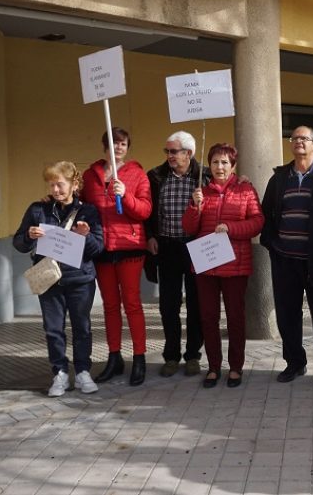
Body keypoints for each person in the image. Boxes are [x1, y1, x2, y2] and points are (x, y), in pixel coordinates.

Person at [13, 161, 104, 397]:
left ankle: (83, 371)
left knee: (82, 327)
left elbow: (98, 249)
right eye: (51, 185)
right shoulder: (38, 210)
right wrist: (28, 235)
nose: (55, 190)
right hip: (49, 279)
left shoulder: (88, 211)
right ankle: (60, 373)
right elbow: (19, 244)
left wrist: (86, 236)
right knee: (53, 329)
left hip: (80, 279)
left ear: (74, 184)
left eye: (60, 185)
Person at [260, 126, 313, 389]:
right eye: (294, 138)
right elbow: (267, 215)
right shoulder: (279, 178)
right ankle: (295, 362)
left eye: (304, 139)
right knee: (287, 315)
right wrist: (272, 244)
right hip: (285, 259)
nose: (298, 142)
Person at [182, 143, 264, 388]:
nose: (220, 167)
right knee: (208, 317)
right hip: (206, 265)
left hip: (235, 264)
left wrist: (231, 228)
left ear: (233, 165)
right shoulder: (201, 192)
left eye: (225, 162)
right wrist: (194, 208)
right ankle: (214, 366)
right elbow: (189, 228)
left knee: (235, 318)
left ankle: (236, 367)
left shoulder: (246, 190)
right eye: (216, 162)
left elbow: (258, 222)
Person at [81, 126, 152, 386]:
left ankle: (140, 357)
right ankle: (114, 357)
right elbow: (79, 204)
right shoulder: (91, 176)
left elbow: (145, 211)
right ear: (105, 147)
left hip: (130, 246)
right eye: (113, 143)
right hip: (101, 248)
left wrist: (127, 196)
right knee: (110, 306)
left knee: (132, 303)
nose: (118, 147)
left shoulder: (137, 174)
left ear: (127, 147)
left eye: (122, 143)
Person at [145, 131, 209, 378]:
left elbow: (228, 187)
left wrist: (242, 179)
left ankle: (193, 355)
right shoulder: (156, 176)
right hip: (167, 247)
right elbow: (148, 211)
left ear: (189, 153)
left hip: (195, 247)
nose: (169, 156)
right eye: (168, 151)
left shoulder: (205, 176)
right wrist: (150, 235)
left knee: (196, 304)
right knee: (168, 305)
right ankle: (171, 356)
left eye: (174, 151)